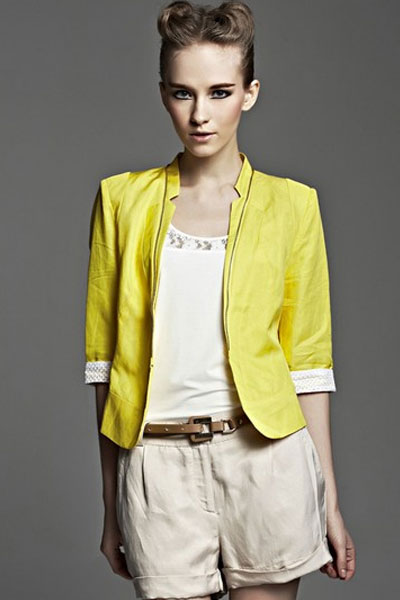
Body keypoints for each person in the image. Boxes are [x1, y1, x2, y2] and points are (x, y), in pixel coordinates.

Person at [84, 1, 356, 599]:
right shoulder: (121, 202)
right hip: (157, 465)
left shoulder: (293, 206)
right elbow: (104, 366)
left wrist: (329, 501)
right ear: (163, 94)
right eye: (183, 93)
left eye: (220, 92)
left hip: (267, 461)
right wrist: (111, 505)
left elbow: (308, 365)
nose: (200, 114)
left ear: (250, 94)